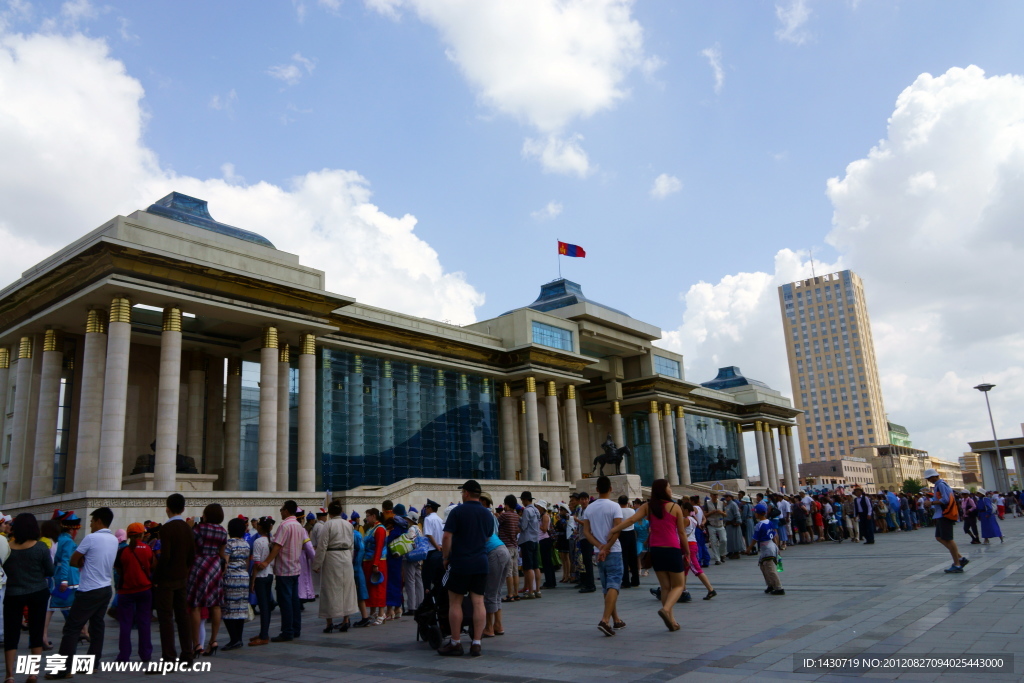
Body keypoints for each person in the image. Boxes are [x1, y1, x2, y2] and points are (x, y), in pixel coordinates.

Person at [46, 507, 118, 680]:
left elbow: (72, 559)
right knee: (97, 626)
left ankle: (64, 669)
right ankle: (92, 664)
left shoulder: (91, 538)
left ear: (99, 521)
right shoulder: (114, 539)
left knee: (72, 628)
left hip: (88, 590)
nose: (90, 524)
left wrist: (83, 560)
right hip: (105, 588)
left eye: (92, 521)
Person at [611, 479, 687, 631]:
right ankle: (666, 610)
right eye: (669, 487)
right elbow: (681, 532)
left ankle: (671, 621)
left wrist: (614, 530)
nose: (671, 490)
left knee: (665, 587)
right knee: (679, 585)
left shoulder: (648, 506)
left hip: (656, 550)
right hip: (672, 548)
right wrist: (688, 551)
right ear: (663, 490)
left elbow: (632, 519)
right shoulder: (675, 507)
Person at [437, 480, 494, 657]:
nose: (461, 494)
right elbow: (487, 537)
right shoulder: (487, 514)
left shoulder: (457, 511)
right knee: (478, 602)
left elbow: (447, 536)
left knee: (455, 602)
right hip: (481, 562)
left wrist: (446, 557)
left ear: (467, 493)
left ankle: (456, 642)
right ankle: (476, 642)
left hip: (461, 562)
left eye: (462, 492)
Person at [4, 513, 54, 683]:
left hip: (13, 594)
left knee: (11, 634)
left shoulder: (8, 547)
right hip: (38, 592)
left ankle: (9, 675)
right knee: (36, 631)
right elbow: (50, 571)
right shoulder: (40, 547)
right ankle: (32, 673)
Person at [256, 500, 315, 640]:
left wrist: (266, 562)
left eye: (282, 509)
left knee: (285, 601)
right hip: (295, 568)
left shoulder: (285, 525)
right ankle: (296, 628)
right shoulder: (300, 527)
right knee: (294, 600)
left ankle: (287, 631)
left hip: (284, 569)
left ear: (287, 511)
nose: (280, 512)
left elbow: (277, 547)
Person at [152, 494, 195, 665]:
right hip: (181, 578)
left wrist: (157, 577)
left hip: (167, 580)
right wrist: (184, 569)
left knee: (166, 618)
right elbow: (192, 554)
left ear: (167, 508)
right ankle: (187, 655)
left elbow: (165, 556)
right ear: (183, 509)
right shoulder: (187, 528)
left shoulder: (166, 529)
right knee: (183, 617)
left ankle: (169, 657)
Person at [582, 476, 624, 637]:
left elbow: (586, 532)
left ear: (597, 489)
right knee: (614, 584)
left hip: (597, 551)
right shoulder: (615, 506)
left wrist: (599, 547)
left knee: (607, 586)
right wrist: (606, 547)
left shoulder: (589, 509)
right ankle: (605, 620)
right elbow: (617, 529)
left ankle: (617, 620)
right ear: (611, 488)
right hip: (613, 550)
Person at [187, 503, 227, 656]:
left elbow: (191, 546)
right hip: (215, 565)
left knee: (196, 605)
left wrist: (190, 527)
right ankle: (213, 640)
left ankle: (196, 644)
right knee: (216, 605)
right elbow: (222, 553)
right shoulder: (223, 531)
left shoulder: (198, 529)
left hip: (199, 565)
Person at [313, 500, 357, 633]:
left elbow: (322, 546)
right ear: (341, 511)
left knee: (329, 589)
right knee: (346, 589)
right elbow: (352, 545)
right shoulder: (348, 525)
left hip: (332, 557)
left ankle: (329, 622)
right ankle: (346, 619)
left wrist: (317, 564)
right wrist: (350, 559)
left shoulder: (328, 524)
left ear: (330, 513)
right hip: (346, 556)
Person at [114, 522, 154, 663]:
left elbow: (118, 570)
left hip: (126, 591)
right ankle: (146, 654)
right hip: (144, 590)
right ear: (142, 534)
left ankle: (123, 656)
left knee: (125, 624)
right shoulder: (148, 548)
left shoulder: (123, 551)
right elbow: (152, 566)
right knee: (144, 623)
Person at [924, 469, 969, 574]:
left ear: (935, 476)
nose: (929, 480)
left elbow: (946, 500)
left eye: (930, 478)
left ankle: (957, 564)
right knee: (939, 537)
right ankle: (960, 559)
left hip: (945, 514)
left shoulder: (941, 485)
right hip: (942, 514)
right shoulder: (939, 485)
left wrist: (931, 503)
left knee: (948, 539)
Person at [479, 493, 511, 639]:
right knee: (496, 591)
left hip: (494, 552)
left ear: (483, 501)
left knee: (490, 592)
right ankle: (498, 625)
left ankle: (489, 627)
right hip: (503, 550)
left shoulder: (482, 514)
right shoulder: (491, 515)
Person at [220, 518, 250, 651]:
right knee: (240, 609)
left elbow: (225, 563)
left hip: (231, 578)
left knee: (228, 609)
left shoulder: (228, 544)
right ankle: (239, 638)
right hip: (243, 577)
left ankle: (233, 639)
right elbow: (247, 563)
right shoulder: (246, 544)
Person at [248, 516, 275, 646]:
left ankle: (264, 635)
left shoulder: (258, 542)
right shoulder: (271, 540)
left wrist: (252, 581)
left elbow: (256, 564)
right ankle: (263, 633)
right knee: (265, 606)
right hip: (269, 574)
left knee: (263, 606)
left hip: (261, 576)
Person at [752, 504, 784, 596]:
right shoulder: (769, 522)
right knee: (763, 567)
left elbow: (755, 538)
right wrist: (777, 546)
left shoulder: (759, 525)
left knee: (770, 568)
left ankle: (779, 587)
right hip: (770, 546)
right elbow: (774, 534)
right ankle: (771, 584)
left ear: (758, 514)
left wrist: (749, 548)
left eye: (755, 512)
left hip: (767, 548)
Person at [497, 496, 521, 601]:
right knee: (515, 571)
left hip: (507, 547)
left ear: (506, 505)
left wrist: (497, 515)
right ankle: (516, 593)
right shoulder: (516, 516)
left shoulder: (505, 515)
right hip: (515, 546)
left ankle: (510, 594)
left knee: (508, 572)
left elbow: (496, 523)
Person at [517, 491, 541, 599]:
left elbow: (523, 526)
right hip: (535, 539)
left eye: (522, 500)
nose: (522, 502)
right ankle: (537, 590)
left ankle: (530, 591)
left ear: (526, 500)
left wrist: (518, 519)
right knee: (536, 566)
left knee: (528, 566)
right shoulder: (536, 510)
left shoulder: (527, 511)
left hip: (527, 539)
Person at [421, 500, 444, 599]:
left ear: (430, 508)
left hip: (431, 550)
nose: (425, 510)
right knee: (437, 577)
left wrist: (436, 546)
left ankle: (428, 598)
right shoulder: (440, 519)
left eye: (426, 508)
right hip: (440, 550)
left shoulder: (428, 519)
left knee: (427, 576)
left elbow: (429, 534)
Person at [617, 496, 639, 588]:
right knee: (633, 558)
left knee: (624, 559)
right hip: (631, 533)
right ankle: (635, 580)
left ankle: (625, 581)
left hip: (622, 534)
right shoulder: (632, 511)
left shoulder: (618, 511)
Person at [537, 502, 557, 590]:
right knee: (547, 562)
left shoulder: (545, 516)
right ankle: (551, 581)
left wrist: (537, 525)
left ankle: (549, 582)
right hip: (543, 540)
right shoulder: (542, 516)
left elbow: (545, 529)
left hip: (545, 540)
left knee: (547, 562)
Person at [704, 492, 727, 565]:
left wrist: (721, 512)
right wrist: (712, 512)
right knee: (713, 542)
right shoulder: (707, 503)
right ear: (711, 495)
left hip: (720, 524)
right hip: (711, 524)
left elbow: (725, 514)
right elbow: (705, 515)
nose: (715, 496)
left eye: (716, 495)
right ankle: (717, 559)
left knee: (724, 540)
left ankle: (722, 554)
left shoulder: (721, 503)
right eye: (714, 495)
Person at [723, 493, 744, 560]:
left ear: (731, 497)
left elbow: (737, 513)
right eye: (725, 497)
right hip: (728, 524)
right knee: (730, 539)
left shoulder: (733, 504)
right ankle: (731, 551)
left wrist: (738, 521)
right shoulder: (728, 505)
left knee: (735, 539)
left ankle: (736, 552)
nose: (726, 498)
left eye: (727, 496)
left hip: (733, 524)